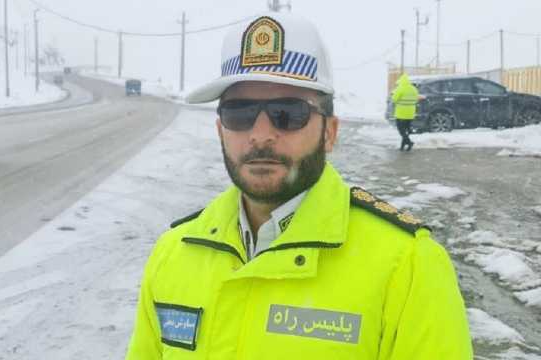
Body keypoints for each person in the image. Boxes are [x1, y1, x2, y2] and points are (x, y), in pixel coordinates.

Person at [125, 13, 472, 360]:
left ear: (330, 132)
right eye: (239, 112)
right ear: (220, 130)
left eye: (287, 112)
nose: (260, 134)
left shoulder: (408, 266)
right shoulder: (173, 254)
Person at [391, 73, 419, 151]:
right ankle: (402, 147)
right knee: (405, 131)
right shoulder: (414, 89)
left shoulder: (400, 88)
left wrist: (393, 95)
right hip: (410, 114)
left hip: (401, 114)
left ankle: (409, 142)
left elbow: (394, 99)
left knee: (401, 131)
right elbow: (417, 99)